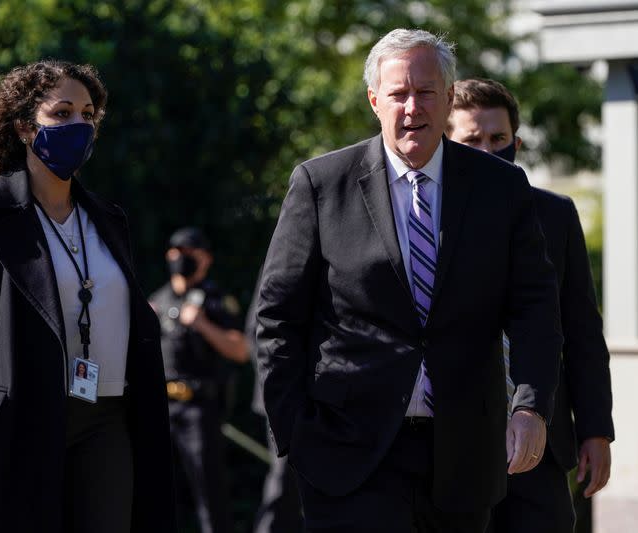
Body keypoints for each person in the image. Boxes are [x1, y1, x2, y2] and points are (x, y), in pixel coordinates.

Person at [255, 28, 563, 532]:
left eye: (425, 92)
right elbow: (277, 316)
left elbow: (535, 307)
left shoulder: (500, 187)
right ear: (375, 101)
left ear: (447, 98)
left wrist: (531, 406)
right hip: (348, 455)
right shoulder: (320, 183)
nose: (411, 107)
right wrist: (293, 431)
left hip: (463, 457)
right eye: (398, 93)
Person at [0, 60, 175, 533]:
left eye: (88, 114)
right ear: (24, 128)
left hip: (107, 417)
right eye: (62, 113)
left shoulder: (108, 220)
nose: (78, 124)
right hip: (15, 425)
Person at [446, 77, 614, 533]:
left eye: (498, 139)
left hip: (540, 443)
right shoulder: (424, 217)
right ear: (447, 144)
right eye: (471, 140)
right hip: (452, 443)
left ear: (517, 142)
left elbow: (581, 330)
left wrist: (596, 430)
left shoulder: (555, 215)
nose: (486, 152)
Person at [149, 228, 249, 533]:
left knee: (210, 496)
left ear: (205, 259)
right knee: (157, 496)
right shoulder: (157, 301)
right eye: (175, 252)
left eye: (188, 252)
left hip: (199, 410)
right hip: (161, 408)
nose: (180, 258)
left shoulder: (216, 300)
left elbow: (242, 350)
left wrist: (203, 324)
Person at [245, 265, 304, 533]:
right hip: (286, 396)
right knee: (283, 483)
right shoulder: (286, 253)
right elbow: (259, 329)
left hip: (324, 395)